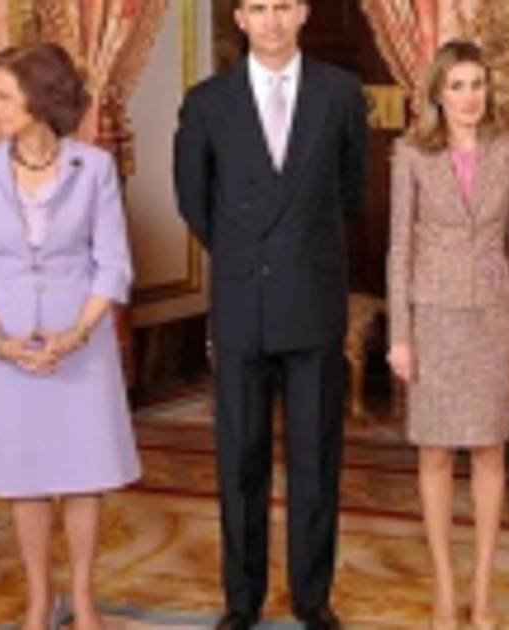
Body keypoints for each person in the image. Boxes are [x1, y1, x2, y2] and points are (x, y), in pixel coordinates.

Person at [172, 0, 368, 627]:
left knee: (316, 460)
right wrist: (245, 255)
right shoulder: (207, 102)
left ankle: (313, 597)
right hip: (243, 303)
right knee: (240, 461)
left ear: (303, 13)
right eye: (258, 8)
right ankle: (242, 599)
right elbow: (194, 200)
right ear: (241, 19)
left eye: (283, 6)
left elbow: (351, 192)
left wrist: (295, 253)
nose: (272, 20)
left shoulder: (341, 94)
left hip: (312, 299)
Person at [0, 43, 141, 630]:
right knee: (24, 475)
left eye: (4, 97)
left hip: (80, 342)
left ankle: (82, 600)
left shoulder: (95, 168)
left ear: (39, 98)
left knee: (83, 474)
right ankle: (39, 599)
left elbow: (113, 265)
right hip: (6, 344)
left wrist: (77, 334)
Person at [386, 40, 509, 630]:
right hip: (434, 318)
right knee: (434, 452)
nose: (470, 97)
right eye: (458, 86)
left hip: (493, 316)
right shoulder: (410, 154)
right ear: (437, 94)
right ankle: (446, 590)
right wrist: (400, 336)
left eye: (477, 84)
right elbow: (399, 248)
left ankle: (483, 590)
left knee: (490, 449)